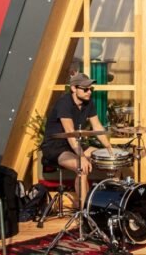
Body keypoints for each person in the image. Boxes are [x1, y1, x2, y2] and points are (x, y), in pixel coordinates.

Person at [40, 72, 115, 206]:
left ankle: (113, 204)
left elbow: (97, 126)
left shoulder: (88, 103)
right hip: (54, 147)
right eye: (85, 89)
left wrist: (109, 149)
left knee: (109, 160)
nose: (89, 92)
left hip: (73, 144)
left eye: (90, 89)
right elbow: (70, 132)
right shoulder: (64, 103)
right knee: (82, 167)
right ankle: (84, 210)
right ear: (74, 88)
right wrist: (81, 156)